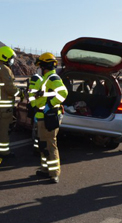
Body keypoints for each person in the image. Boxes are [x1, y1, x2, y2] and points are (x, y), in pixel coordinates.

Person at [33, 52, 68, 184]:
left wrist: (49, 104)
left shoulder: (53, 78)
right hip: (42, 117)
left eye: (41, 66)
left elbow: (63, 93)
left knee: (50, 144)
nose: (40, 69)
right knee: (43, 144)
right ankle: (45, 169)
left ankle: (54, 173)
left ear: (44, 66)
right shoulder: (47, 78)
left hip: (49, 117)